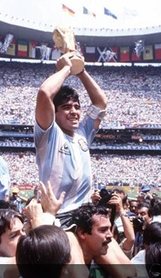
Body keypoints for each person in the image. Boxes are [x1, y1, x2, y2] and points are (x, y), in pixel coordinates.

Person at [34, 52, 107, 227]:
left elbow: (101, 103)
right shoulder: (49, 134)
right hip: (59, 216)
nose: (74, 111)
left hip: (84, 213)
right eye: (66, 107)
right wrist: (67, 68)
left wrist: (80, 70)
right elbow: (44, 93)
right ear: (55, 112)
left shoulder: (83, 132)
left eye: (76, 106)